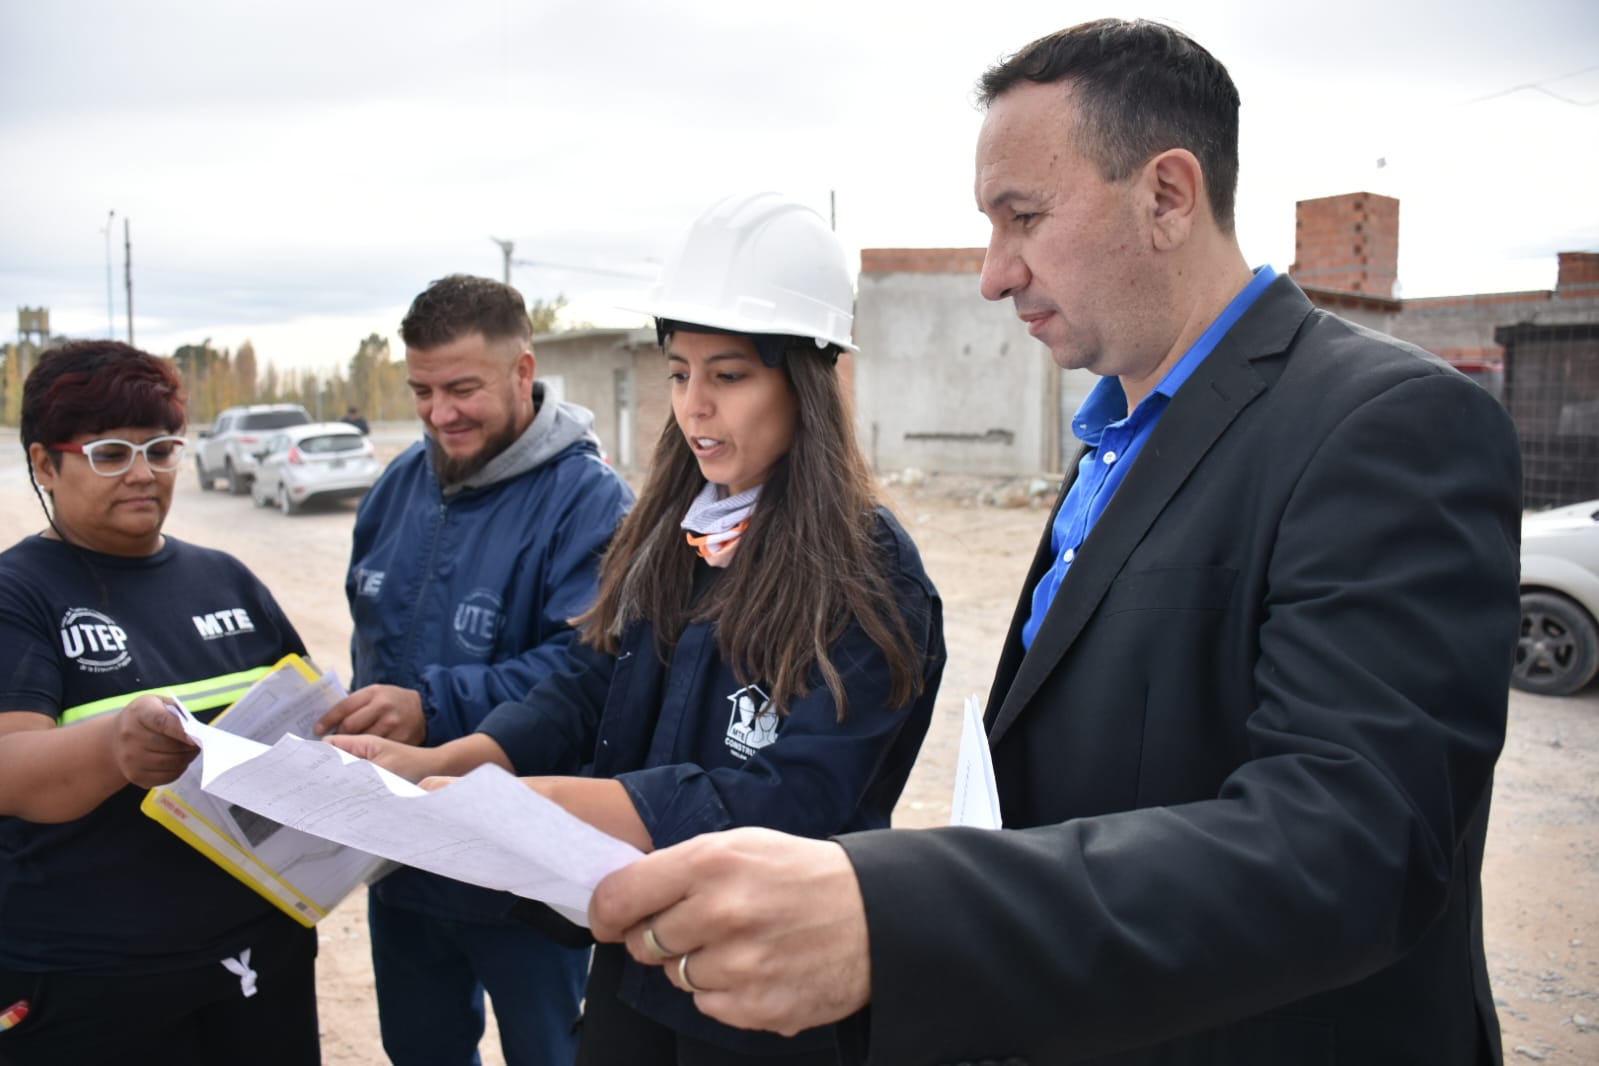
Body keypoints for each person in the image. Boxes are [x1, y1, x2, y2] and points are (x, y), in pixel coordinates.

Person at [584, 20, 1524, 1066]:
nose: (994, 274)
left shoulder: (1383, 426)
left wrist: (899, 914)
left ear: (1168, 193)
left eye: (1022, 217)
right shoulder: (1115, 440)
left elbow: (1351, 848)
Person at [333, 192, 947, 1065]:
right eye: (678, 373)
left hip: (764, 990)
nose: (693, 408)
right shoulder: (687, 531)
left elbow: (786, 799)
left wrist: (527, 804)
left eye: (728, 376)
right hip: (636, 962)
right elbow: (591, 684)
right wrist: (444, 764)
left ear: (814, 381)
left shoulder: (866, 573)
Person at [313, 273, 634, 1066]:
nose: (438, 412)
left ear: (522, 373)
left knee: (552, 1055)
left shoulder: (590, 503)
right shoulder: (396, 486)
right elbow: (371, 639)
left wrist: (431, 708)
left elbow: (586, 672)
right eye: (421, 390)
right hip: (401, 857)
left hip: (524, 868)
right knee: (419, 1049)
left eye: (462, 388)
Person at [0, 342, 320, 1066]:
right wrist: (116, 743)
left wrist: (359, 728)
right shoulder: (19, 594)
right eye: (110, 453)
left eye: (160, 448)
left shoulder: (227, 581)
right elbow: (9, 766)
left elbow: (305, 729)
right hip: (91, 979)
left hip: (256, 957)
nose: (142, 472)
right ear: (46, 465)